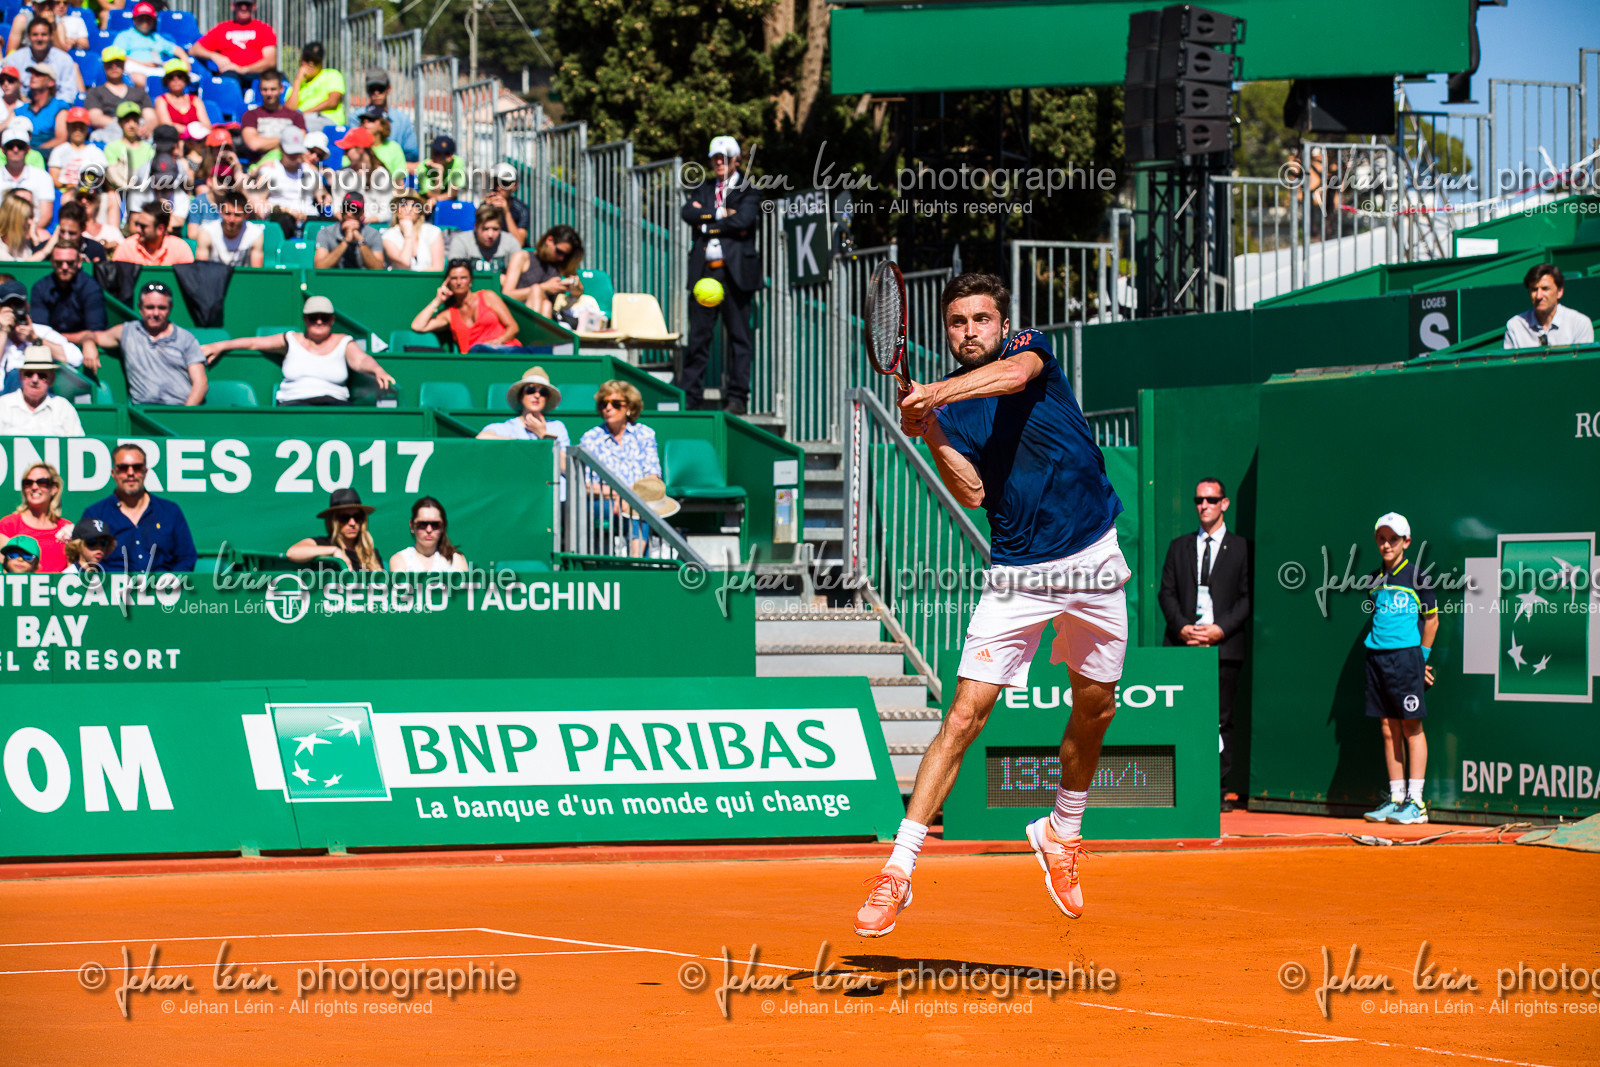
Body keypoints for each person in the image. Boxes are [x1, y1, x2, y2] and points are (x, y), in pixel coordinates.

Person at [855, 272, 1130, 936]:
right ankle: (898, 867)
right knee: (963, 715)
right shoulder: (951, 408)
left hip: (1093, 554)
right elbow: (973, 490)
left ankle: (1062, 832)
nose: (970, 330)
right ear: (944, 331)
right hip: (1017, 574)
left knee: (1096, 705)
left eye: (981, 318)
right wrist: (929, 430)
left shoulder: (1031, 352)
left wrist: (937, 392)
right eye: (957, 322)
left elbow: (1014, 376)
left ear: (1003, 324)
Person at [1158, 478, 1250, 811]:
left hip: (1223, 648)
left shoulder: (1242, 548)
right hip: (1183, 648)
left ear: (1224, 504)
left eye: (1211, 500)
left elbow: (1246, 597)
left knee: (1220, 719)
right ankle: (1181, 785)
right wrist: (1183, 628)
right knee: (1183, 717)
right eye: (1198, 500)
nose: (1204, 506)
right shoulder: (1179, 546)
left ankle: (1218, 787)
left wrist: (1219, 630)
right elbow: (1165, 592)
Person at [1360, 512, 1439, 826]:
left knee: (1411, 728)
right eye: (1381, 538)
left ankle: (1416, 804)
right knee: (1387, 728)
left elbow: (1431, 620)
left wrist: (1421, 659)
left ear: (1406, 542)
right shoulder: (1372, 581)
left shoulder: (1418, 577)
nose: (1386, 544)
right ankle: (1396, 799)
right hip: (1376, 660)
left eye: (1393, 539)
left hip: (1406, 660)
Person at [680, 135, 762, 415]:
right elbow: (687, 214)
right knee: (699, 337)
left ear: (737, 160)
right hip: (704, 273)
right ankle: (690, 398)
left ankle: (737, 398)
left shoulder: (749, 189)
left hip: (735, 274)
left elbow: (744, 220)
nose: (719, 162)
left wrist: (707, 222)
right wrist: (721, 215)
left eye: (725, 158)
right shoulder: (702, 188)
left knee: (739, 338)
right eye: (715, 158)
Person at [199, 294, 394, 404]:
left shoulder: (343, 341)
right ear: (305, 319)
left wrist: (377, 369)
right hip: (293, 404)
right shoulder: (291, 339)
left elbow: (360, 360)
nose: (319, 321)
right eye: (313, 317)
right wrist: (220, 345)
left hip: (333, 407)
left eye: (324, 317)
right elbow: (254, 343)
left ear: (332, 320)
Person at [80, 442, 198, 572]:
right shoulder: (96, 514)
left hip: (163, 588)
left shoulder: (170, 511)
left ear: (145, 472)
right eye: (123, 468)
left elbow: (186, 557)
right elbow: (83, 560)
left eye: (137, 467)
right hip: (112, 589)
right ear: (113, 473)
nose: (131, 473)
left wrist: (169, 585)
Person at [91, 280, 207, 405]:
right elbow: (93, 336)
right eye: (150, 307)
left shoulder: (186, 338)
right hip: (143, 411)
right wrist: (88, 342)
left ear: (170, 308)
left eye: (162, 308)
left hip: (179, 409)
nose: (156, 313)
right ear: (140, 307)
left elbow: (201, 384)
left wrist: (184, 414)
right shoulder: (127, 331)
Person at [578, 380, 659, 557]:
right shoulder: (590, 438)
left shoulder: (645, 434)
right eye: (603, 404)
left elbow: (653, 478)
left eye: (615, 404)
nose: (608, 408)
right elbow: (586, 485)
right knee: (638, 510)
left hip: (638, 500)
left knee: (639, 509)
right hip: (602, 502)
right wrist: (622, 495)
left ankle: (637, 563)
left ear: (629, 407)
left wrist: (630, 497)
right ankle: (638, 564)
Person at [410, 260, 520, 353]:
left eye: (463, 278)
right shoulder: (450, 314)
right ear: (448, 282)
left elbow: (513, 326)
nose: (459, 282)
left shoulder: (488, 296)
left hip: (506, 350)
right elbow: (418, 326)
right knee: (478, 349)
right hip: (475, 357)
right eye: (454, 278)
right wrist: (438, 300)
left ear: (470, 280)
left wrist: (497, 342)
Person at [30, 239, 103, 368]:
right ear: (52, 262)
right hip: (48, 352)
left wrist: (88, 339)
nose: (64, 267)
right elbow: (40, 330)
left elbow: (97, 331)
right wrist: (85, 337)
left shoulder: (90, 287)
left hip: (76, 351)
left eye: (70, 263)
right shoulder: (41, 287)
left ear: (79, 262)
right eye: (59, 263)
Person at [0, 276, 80, 388]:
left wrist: (34, 338)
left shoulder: (41, 331)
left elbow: (75, 358)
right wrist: (3, 331)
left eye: (18, 304)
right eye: (7, 304)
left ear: (27, 306)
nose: (13, 309)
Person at [188, 0, 276, 94]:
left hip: (257, 73)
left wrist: (243, 69)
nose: (243, 7)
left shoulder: (264, 29)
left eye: (247, 4)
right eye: (240, 4)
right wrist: (213, 56)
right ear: (232, 6)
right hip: (230, 74)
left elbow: (270, 62)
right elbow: (194, 50)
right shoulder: (222, 29)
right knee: (227, 83)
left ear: (254, 6)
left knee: (276, 82)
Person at [288, 487, 383, 571]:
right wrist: (334, 551)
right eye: (345, 518)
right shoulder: (324, 544)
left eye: (357, 517)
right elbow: (292, 553)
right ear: (333, 521)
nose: (352, 523)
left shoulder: (370, 553)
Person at [0, 459, 72, 569]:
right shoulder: (9, 525)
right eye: (28, 483)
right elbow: (5, 571)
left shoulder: (66, 528)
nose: (34, 487)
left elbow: (73, 572)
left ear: (53, 488)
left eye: (42, 482)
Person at [1504, 263, 1594, 349]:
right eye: (1534, 290)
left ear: (1559, 292)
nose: (1539, 296)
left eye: (1545, 289)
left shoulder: (1579, 324)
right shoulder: (1515, 326)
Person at [504, 224, 584, 317]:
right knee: (536, 290)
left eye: (566, 255)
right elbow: (507, 295)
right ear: (549, 240)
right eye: (559, 252)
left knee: (547, 305)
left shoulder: (561, 264)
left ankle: (537, 330)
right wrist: (544, 288)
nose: (562, 258)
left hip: (547, 312)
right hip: (520, 312)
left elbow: (578, 292)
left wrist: (573, 287)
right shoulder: (523, 257)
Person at [478, 366, 569, 446]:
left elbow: (564, 464)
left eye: (543, 392)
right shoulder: (509, 427)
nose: (537, 396)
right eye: (530, 390)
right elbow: (481, 438)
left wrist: (542, 434)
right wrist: (522, 444)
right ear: (521, 395)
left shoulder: (557, 427)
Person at [0, 350, 82, 436]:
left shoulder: (63, 407)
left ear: (52, 379)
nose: (34, 380)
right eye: (29, 374)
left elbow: (78, 444)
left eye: (42, 376)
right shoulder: (2, 405)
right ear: (21, 376)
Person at [251, 124, 314, 235]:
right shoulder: (269, 171)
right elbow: (259, 204)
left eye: (297, 152)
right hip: (282, 218)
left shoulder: (309, 170)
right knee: (283, 221)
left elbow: (322, 196)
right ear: (281, 148)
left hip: (309, 217)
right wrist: (287, 210)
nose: (294, 156)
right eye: (290, 153)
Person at [85, 47, 155, 144]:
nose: (114, 66)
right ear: (104, 66)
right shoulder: (95, 92)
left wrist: (146, 128)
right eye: (110, 63)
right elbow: (95, 118)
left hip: (139, 134)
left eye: (118, 63)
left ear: (123, 65)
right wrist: (125, 126)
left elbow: (151, 117)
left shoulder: (139, 93)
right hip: (110, 134)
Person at [3, 19, 80, 103]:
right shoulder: (15, 58)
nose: (39, 38)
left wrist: (51, 108)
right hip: (21, 107)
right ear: (29, 36)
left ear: (51, 36)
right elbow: (7, 88)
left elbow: (68, 94)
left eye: (44, 34)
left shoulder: (64, 59)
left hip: (55, 109)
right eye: (35, 35)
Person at [326, 125, 391, 222]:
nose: (345, 154)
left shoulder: (381, 175)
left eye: (348, 150)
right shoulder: (341, 173)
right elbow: (336, 206)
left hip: (373, 229)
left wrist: (365, 221)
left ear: (360, 149)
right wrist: (347, 221)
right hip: (346, 226)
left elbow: (387, 212)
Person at [389, 496, 468, 573]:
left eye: (435, 524)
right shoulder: (400, 560)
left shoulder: (457, 559)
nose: (429, 530)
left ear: (443, 526)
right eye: (422, 524)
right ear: (412, 526)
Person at [111, 1, 186, 83]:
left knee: (177, 77)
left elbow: (176, 50)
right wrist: (145, 64)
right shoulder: (124, 35)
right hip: (135, 69)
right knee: (139, 77)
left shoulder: (156, 37)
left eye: (148, 18)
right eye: (141, 18)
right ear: (134, 20)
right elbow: (117, 56)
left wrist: (185, 61)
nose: (145, 22)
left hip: (156, 69)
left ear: (153, 21)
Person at [238, 66, 302, 161]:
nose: (269, 93)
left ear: (281, 89)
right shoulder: (250, 115)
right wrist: (288, 141)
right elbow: (254, 144)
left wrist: (265, 143)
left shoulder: (295, 116)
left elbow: (300, 141)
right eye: (265, 89)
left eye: (273, 89)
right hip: (261, 166)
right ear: (260, 90)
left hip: (290, 166)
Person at [313, 191, 383, 270]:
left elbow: (379, 268)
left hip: (364, 281)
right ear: (341, 210)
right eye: (347, 208)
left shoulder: (373, 234)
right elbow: (320, 267)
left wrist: (360, 240)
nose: (349, 213)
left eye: (355, 209)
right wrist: (346, 241)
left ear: (362, 212)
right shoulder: (325, 233)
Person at [0, 125, 50, 234]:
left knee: (43, 235)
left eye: (20, 146)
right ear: (3, 149)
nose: (15, 149)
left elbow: (46, 215)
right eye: (10, 146)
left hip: (31, 232)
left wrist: (25, 234)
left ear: (28, 149)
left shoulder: (42, 176)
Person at [445, 203, 521, 274]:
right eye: (485, 229)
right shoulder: (461, 241)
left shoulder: (510, 241)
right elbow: (455, 275)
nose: (490, 235)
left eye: (495, 229)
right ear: (476, 227)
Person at [193, 188, 261, 267]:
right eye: (227, 214)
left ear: (246, 215)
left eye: (237, 215)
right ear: (220, 212)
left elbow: (257, 273)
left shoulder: (255, 233)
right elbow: (201, 270)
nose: (232, 219)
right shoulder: (206, 232)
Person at [286, 41, 344, 131]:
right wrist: (297, 82)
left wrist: (305, 113)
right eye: (307, 59)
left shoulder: (331, 74)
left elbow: (333, 101)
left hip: (326, 119)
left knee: (297, 125)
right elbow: (289, 110)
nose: (311, 64)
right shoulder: (295, 87)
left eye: (315, 61)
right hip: (300, 120)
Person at [361, 70, 416, 164]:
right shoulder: (356, 116)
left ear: (388, 89)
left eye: (380, 88)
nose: (376, 93)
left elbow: (412, 154)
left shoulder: (403, 119)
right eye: (372, 89)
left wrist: (396, 164)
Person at [114, 201, 194, 265]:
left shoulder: (180, 249)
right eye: (137, 224)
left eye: (143, 226)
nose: (137, 229)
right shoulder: (127, 247)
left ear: (160, 229)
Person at [381, 188, 443, 272]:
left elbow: (438, 268)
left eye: (414, 205)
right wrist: (408, 235)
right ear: (396, 209)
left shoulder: (433, 232)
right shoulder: (388, 236)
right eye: (403, 204)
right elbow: (405, 262)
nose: (409, 209)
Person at [46, 106, 101, 189]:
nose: (78, 130)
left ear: (87, 128)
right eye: (74, 126)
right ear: (68, 126)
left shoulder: (95, 151)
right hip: (64, 191)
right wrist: (69, 187)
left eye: (81, 126)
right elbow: (54, 179)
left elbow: (99, 178)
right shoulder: (59, 151)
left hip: (88, 192)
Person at [8, 0, 89, 55]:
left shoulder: (58, 23)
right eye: (42, 4)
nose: (46, 8)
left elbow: (62, 54)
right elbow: (10, 52)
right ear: (34, 6)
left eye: (49, 3)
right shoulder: (21, 20)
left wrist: (52, 26)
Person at [17, 65, 67, 150]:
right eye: (32, 74)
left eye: (38, 74)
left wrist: (33, 152)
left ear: (51, 82)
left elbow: (60, 139)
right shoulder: (22, 109)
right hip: (20, 152)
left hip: (47, 154)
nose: (33, 77)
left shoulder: (59, 107)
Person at [153, 58, 208, 135]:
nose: (176, 80)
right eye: (171, 77)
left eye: (180, 76)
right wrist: (191, 131)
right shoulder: (161, 100)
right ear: (166, 80)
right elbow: (167, 125)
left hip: (196, 141)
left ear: (185, 79)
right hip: (174, 141)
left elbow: (207, 126)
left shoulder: (195, 100)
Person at [485, 163, 528, 245]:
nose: (498, 188)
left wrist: (506, 212)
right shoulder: (485, 205)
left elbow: (519, 243)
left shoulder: (521, 209)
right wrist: (487, 209)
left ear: (514, 186)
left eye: (504, 183)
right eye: (495, 183)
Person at [358, 110, 405, 184]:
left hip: (387, 192)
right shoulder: (356, 147)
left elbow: (399, 180)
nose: (365, 123)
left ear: (382, 125)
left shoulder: (393, 147)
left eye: (371, 120)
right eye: (363, 121)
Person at [419, 134, 462, 201]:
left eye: (437, 153)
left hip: (447, 203)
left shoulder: (458, 162)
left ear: (449, 157)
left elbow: (453, 193)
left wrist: (435, 200)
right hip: (426, 202)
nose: (433, 155)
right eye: (433, 151)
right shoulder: (422, 167)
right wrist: (439, 172)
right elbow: (432, 195)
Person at [0, 190, 39, 258]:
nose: (30, 222)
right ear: (13, 219)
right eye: (27, 217)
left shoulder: (27, 246)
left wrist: (35, 240)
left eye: (31, 217)